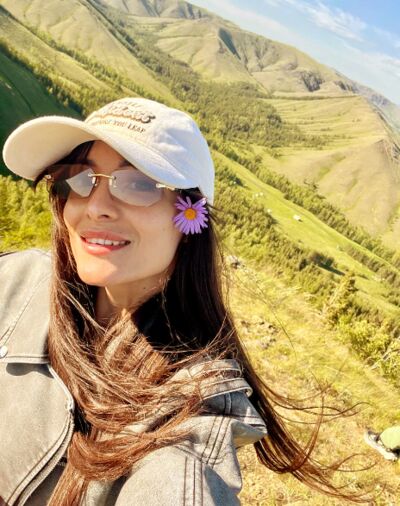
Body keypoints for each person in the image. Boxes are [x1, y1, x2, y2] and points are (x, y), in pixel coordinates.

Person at [0, 97, 361, 505]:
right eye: (78, 177)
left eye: (138, 184)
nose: (95, 207)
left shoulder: (188, 411)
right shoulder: (16, 277)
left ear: (190, 218)